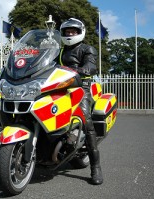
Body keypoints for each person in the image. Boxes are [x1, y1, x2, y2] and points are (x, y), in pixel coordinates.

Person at [57, 18, 103, 185]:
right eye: (67, 32)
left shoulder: (87, 49)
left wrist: (77, 70)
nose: (70, 34)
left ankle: (95, 167)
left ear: (80, 32)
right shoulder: (60, 51)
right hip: (60, 87)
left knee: (86, 120)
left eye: (73, 31)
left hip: (81, 88)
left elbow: (91, 67)